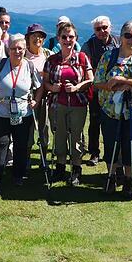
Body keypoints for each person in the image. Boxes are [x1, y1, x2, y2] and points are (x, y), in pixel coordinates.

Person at [93, 21, 132, 198]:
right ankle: (111, 177)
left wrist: (122, 80)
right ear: (121, 36)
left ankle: (128, 181)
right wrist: (113, 87)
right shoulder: (108, 57)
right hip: (110, 111)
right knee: (110, 143)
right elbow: (97, 83)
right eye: (128, 35)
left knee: (131, 144)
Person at [0, 34, 42, 195]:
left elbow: (39, 86)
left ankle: (18, 176)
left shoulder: (29, 66)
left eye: (20, 48)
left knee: (21, 144)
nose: (17, 51)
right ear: (8, 49)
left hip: (23, 112)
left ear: (25, 49)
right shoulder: (0, 65)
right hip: (1, 111)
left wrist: (36, 100)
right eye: (14, 48)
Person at [43, 22, 93, 186]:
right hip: (57, 104)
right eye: (64, 37)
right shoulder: (51, 60)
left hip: (78, 104)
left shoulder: (82, 58)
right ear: (58, 39)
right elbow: (45, 83)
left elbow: (91, 79)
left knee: (76, 137)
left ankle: (76, 169)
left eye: (71, 37)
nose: (67, 40)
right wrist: (53, 87)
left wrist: (77, 87)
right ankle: (60, 168)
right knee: (59, 135)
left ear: (76, 38)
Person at [81, 15, 120, 165]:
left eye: (105, 27)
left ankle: (113, 152)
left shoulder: (118, 42)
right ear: (94, 30)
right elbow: (87, 68)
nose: (102, 31)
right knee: (95, 122)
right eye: (98, 29)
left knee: (113, 123)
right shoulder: (88, 46)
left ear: (110, 27)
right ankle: (94, 153)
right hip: (97, 91)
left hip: (116, 92)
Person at [24, 24, 52, 171]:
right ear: (28, 38)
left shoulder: (48, 54)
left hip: (45, 96)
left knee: (44, 128)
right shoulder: (22, 55)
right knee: (28, 128)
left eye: (40, 36)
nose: (38, 38)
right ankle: (26, 159)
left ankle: (43, 159)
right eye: (34, 35)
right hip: (27, 97)